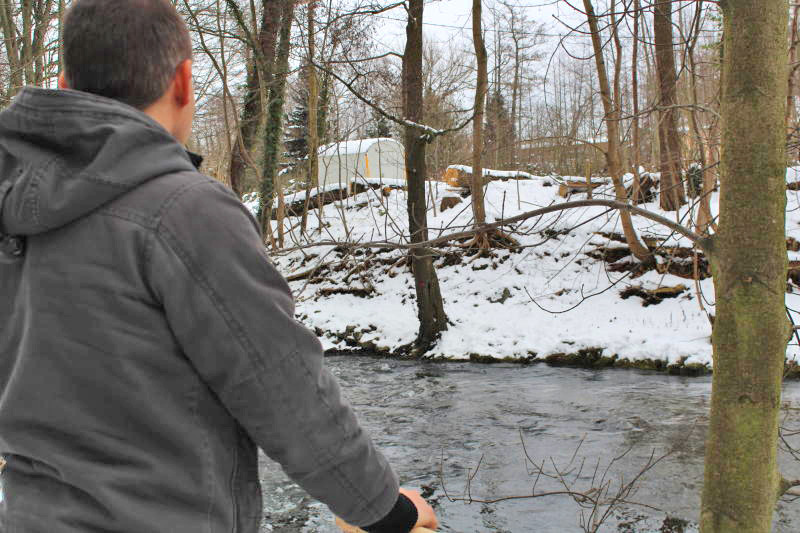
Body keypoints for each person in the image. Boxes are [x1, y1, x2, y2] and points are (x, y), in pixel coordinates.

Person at [0, 1, 438, 532]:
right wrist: (385, 511)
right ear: (183, 82)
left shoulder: (11, 211)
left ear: (65, 83)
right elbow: (284, 391)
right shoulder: (184, 210)